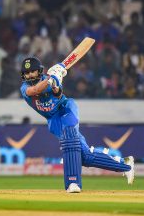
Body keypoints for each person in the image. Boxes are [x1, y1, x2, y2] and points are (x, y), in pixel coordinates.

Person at [19, 57, 134, 193]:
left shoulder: (51, 78)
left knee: (69, 137)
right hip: (53, 120)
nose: (30, 75)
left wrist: (55, 82)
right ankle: (125, 164)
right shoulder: (25, 88)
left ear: (39, 71)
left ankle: (73, 183)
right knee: (85, 156)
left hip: (66, 108)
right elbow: (35, 91)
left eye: (32, 71)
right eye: (26, 73)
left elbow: (58, 94)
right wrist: (50, 79)